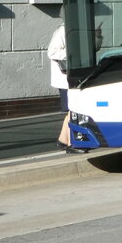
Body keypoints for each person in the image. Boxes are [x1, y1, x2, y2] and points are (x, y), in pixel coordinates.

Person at [46, 20, 77, 152]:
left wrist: (97, 37)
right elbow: (52, 52)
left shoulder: (81, 30)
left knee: (72, 110)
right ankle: (71, 143)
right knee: (74, 110)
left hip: (76, 77)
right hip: (65, 79)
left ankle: (63, 140)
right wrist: (74, 54)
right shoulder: (62, 31)